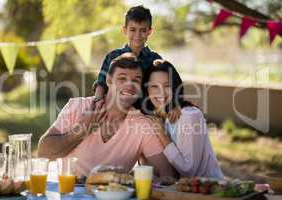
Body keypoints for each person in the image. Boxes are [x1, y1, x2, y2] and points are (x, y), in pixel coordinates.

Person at [38, 54, 176, 177]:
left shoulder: (143, 124)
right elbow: (43, 153)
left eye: (136, 80)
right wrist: (81, 130)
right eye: (122, 78)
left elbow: (167, 174)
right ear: (109, 81)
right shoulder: (77, 107)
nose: (129, 85)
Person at [94, 5, 180, 123]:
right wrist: (97, 101)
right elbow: (101, 83)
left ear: (150, 31)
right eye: (133, 29)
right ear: (125, 30)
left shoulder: (155, 59)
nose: (138, 35)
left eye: (143, 30)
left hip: (146, 115)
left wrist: (175, 104)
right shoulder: (113, 56)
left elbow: (166, 85)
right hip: (117, 112)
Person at [142, 59, 224, 179]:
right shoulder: (156, 117)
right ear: (147, 90)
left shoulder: (188, 116)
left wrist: (162, 135)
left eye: (167, 86)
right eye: (154, 86)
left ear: (175, 87)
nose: (161, 92)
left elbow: (189, 171)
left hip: (206, 190)